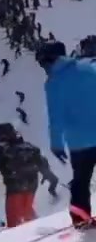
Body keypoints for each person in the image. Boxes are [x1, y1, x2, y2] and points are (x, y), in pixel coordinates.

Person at [35, 39, 96, 225]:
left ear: (49, 60)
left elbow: (56, 117)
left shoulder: (53, 83)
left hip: (78, 142)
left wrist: (56, 144)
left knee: (81, 181)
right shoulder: (89, 69)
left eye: (42, 62)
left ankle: (80, 218)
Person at [0, 122, 59, 228]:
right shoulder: (28, 147)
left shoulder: (0, 150)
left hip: (14, 185)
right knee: (26, 209)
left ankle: (21, 236)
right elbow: (42, 163)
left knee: (14, 219)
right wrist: (50, 177)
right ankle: (37, 228)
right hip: (32, 184)